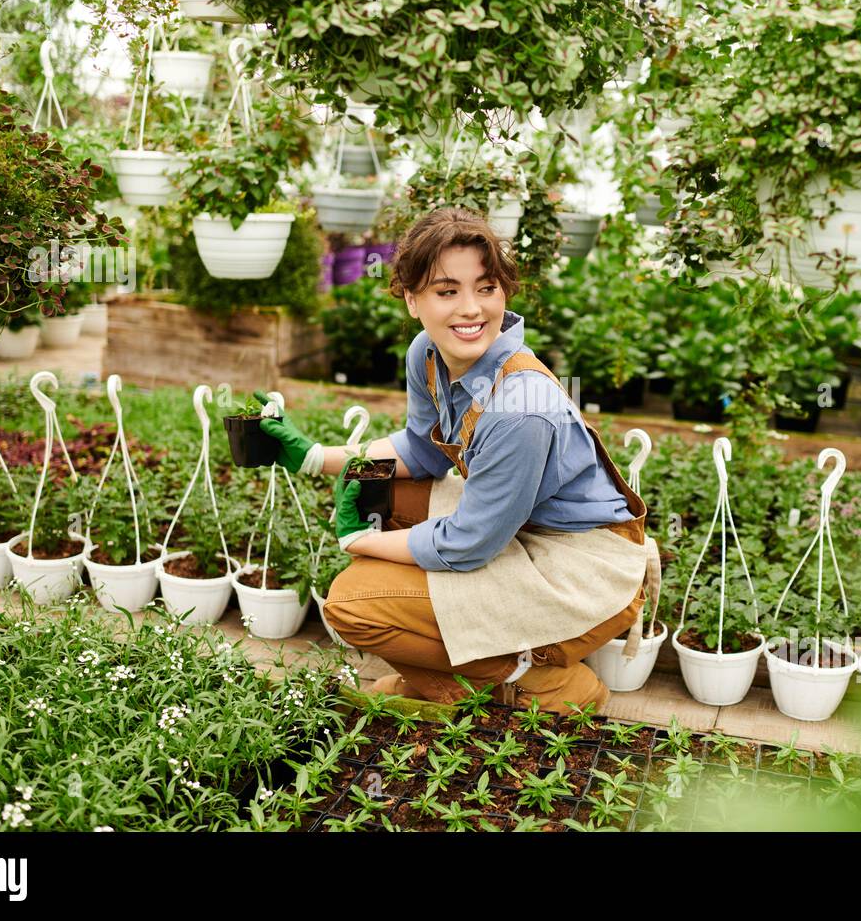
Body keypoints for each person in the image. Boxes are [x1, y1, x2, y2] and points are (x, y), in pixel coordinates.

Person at [259, 207, 654, 713]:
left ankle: (538, 684)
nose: (471, 309)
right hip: (521, 531)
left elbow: (468, 544)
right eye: (447, 291)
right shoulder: (427, 355)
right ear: (411, 298)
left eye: (485, 288)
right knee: (385, 496)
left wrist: (366, 541)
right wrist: (316, 457)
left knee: (352, 605)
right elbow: (421, 452)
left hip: (581, 567)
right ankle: (452, 681)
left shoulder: (521, 408)